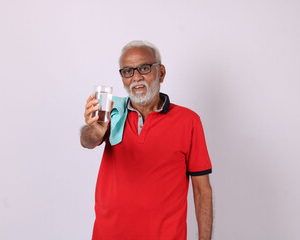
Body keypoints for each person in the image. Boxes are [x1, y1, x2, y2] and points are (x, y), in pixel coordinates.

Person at [80, 40, 213, 240]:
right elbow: (87, 141)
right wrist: (95, 132)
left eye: (144, 68)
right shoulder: (112, 112)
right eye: (128, 71)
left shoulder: (189, 121)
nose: (136, 78)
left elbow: (202, 192)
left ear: (161, 73)